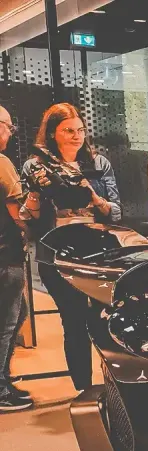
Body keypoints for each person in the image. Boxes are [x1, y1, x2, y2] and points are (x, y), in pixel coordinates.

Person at [20, 103, 121, 393]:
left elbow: (116, 211)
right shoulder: (35, 166)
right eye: (68, 131)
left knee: (104, 321)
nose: (77, 136)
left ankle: (115, 386)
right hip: (57, 253)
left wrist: (93, 197)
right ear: (53, 133)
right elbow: (29, 218)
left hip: (98, 252)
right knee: (73, 321)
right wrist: (36, 193)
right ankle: (84, 390)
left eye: (80, 130)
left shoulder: (98, 164)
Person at [0, 105, 30, 412]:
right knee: (6, 324)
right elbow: (18, 214)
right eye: (8, 126)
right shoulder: (2, 163)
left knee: (17, 316)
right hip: (5, 255)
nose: (10, 133)